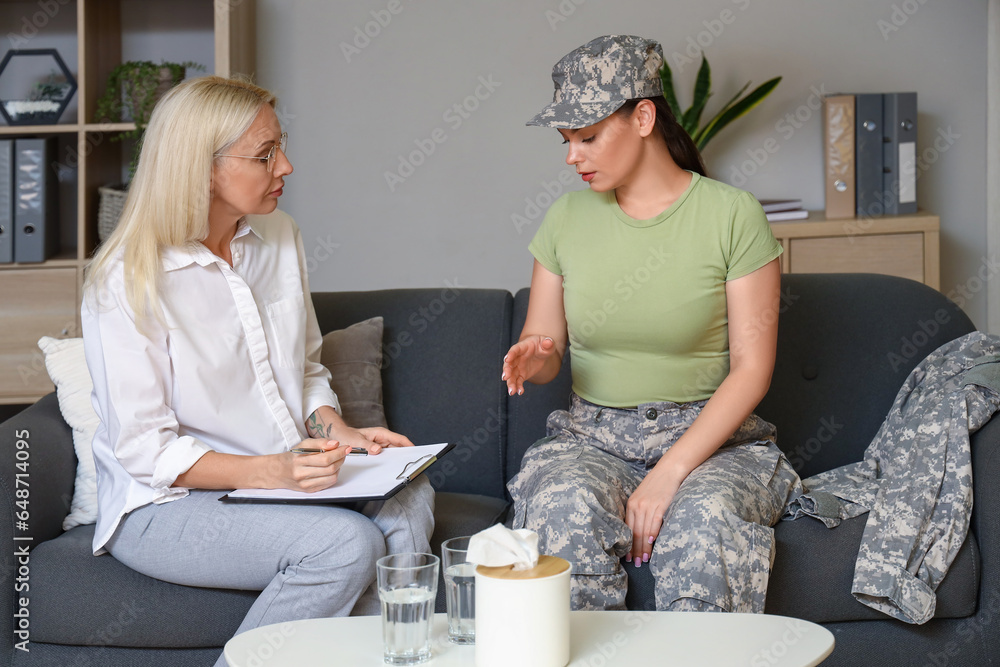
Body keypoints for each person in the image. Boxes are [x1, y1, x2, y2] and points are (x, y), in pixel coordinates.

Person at [81, 76, 434, 664]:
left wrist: (335, 431)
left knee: (408, 495)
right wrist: (274, 471)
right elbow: (144, 451)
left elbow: (305, 366)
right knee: (346, 545)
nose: (287, 166)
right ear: (202, 169)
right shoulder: (125, 277)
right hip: (164, 505)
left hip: (275, 481)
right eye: (265, 154)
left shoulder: (280, 236)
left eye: (282, 146)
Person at [503, 35, 802, 613]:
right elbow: (546, 346)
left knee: (709, 519)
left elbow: (752, 369)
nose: (572, 156)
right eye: (566, 141)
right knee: (561, 506)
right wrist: (534, 356)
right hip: (592, 436)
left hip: (712, 442)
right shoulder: (565, 219)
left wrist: (669, 473)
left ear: (643, 117)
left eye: (587, 137)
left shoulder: (732, 214)